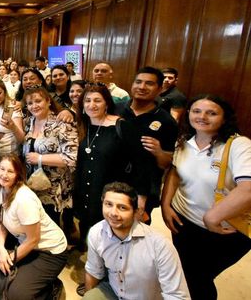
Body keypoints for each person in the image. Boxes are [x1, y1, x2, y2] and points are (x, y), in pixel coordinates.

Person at [161, 94, 251, 300]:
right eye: (196, 111)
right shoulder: (184, 142)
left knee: (198, 278)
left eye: (211, 113)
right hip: (184, 223)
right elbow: (174, 172)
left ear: (224, 118)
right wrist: (166, 205)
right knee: (185, 272)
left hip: (225, 230)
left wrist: (212, 217)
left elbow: (248, 187)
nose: (202, 117)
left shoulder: (238, 145)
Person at [74, 83, 154, 250]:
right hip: (85, 190)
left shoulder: (121, 126)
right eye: (87, 100)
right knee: (89, 231)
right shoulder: (83, 125)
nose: (91, 105)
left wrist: (141, 198)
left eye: (97, 100)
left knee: (112, 237)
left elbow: (142, 163)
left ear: (107, 104)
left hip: (112, 193)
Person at [0, 155, 68, 300]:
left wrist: (10, 258)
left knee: (16, 294)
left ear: (18, 175)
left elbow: (34, 239)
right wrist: (1, 248)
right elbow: (1, 220)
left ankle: (51, 287)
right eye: (2, 169)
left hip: (49, 250)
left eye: (10, 171)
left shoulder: (24, 199)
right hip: (23, 240)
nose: (4, 175)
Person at [84, 182, 190, 300]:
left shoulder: (160, 245)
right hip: (113, 292)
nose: (113, 213)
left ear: (136, 211)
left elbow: (177, 295)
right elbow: (93, 271)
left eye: (122, 207)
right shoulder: (96, 232)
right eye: (108, 204)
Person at [115, 66, 178, 221]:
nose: (142, 87)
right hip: (111, 181)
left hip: (143, 188)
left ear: (159, 88)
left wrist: (159, 152)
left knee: (136, 232)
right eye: (138, 82)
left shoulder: (166, 121)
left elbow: (166, 163)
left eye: (149, 83)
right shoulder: (116, 109)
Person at [21, 86, 78, 227]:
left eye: (38, 101)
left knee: (51, 226)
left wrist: (40, 158)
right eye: (30, 103)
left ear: (48, 101)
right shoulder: (29, 122)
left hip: (53, 187)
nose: (34, 106)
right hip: (33, 183)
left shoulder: (62, 123)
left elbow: (72, 157)